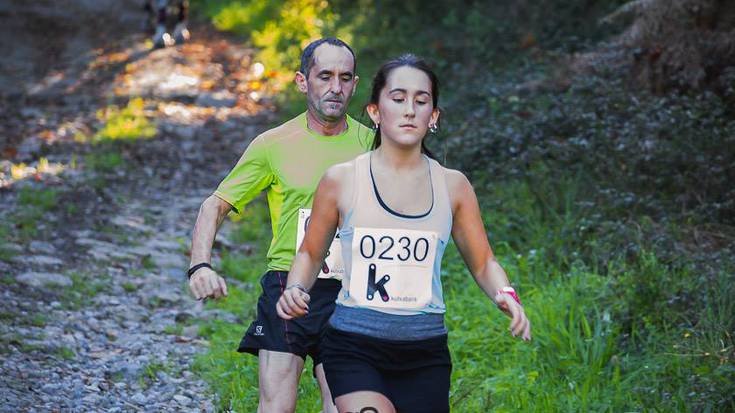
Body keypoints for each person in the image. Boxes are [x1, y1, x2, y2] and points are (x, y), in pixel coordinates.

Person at [276, 54, 531, 413]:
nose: (410, 110)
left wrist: (506, 294)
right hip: (353, 346)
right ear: (376, 111)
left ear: (434, 116)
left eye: (421, 101)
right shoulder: (341, 179)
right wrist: (296, 288)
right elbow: (310, 253)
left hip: (425, 354)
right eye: (398, 99)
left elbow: (484, 262)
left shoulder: (453, 186)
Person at [188, 38, 372, 413]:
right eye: (324, 76)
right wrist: (200, 265)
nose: (335, 87)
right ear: (302, 82)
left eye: (345, 77)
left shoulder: (373, 144)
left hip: (352, 288)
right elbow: (215, 205)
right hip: (287, 284)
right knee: (276, 408)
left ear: (355, 84)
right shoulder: (273, 144)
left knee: (343, 406)